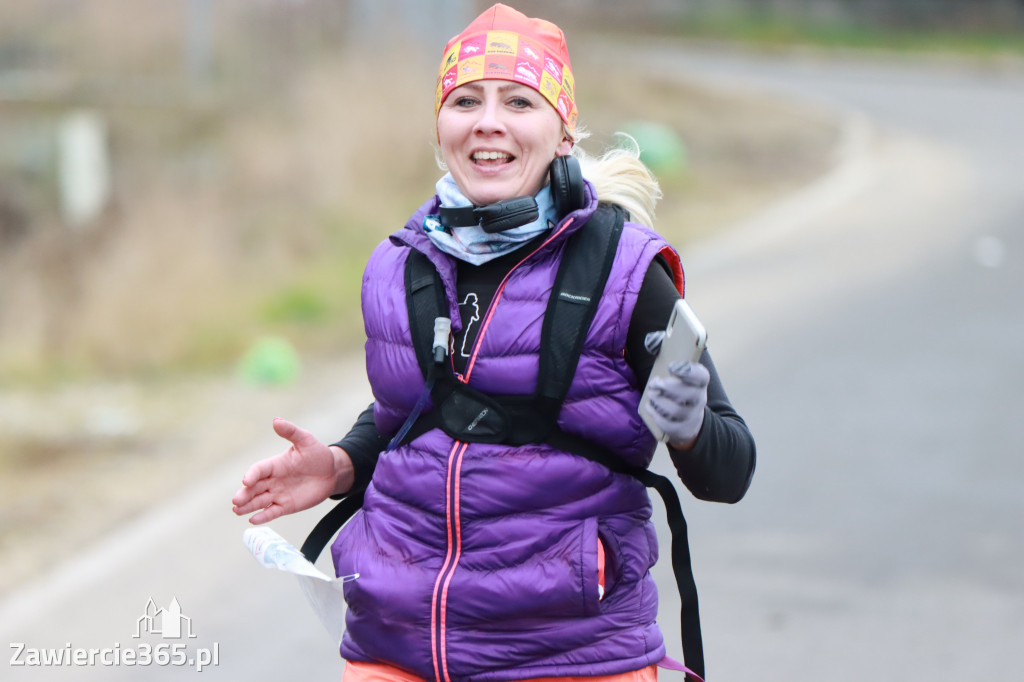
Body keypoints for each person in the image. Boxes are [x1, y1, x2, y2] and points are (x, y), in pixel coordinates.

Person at [232, 4, 755, 682]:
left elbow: (731, 470)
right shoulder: (400, 264)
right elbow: (415, 415)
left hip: (571, 655)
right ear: (441, 127)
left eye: (518, 100)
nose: (488, 120)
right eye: (465, 100)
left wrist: (688, 430)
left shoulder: (624, 272)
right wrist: (340, 465)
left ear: (562, 132)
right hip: (397, 647)